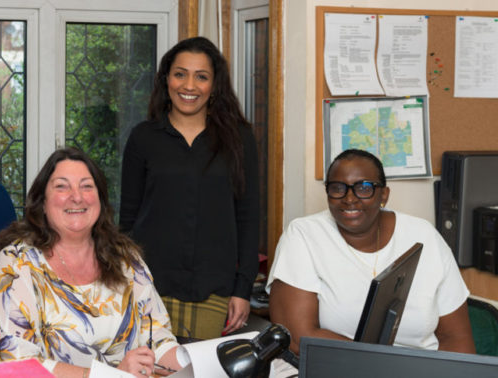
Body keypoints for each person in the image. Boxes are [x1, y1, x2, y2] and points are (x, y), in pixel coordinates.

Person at [0, 147, 181, 378]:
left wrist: (202, 361)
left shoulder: (127, 261)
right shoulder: (15, 265)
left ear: (100, 200)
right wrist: (110, 375)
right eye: (62, 187)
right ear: (42, 203)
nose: (77, 196)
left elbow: (159, 342)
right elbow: (19, 365)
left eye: (86, 186)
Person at [267, 149, 475, 354]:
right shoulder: (304, 235)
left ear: (384, 195)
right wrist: (383, 366)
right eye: (338, 188)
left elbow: (456, 338)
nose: (349, 198)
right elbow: (297, 336)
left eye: (364, 188)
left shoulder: (423, 236)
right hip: (341, 368)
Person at [120, 36, 260, 340]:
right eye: (180, 73)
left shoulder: (239, 139)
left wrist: (243, 289)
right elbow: (128, 222)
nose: (189, 86)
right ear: (166, 79)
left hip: (214, 292)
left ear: (215, 85)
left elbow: (249, 219)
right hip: (149, 288)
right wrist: (127, 282)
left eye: (202, 76)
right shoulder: (143, 138)